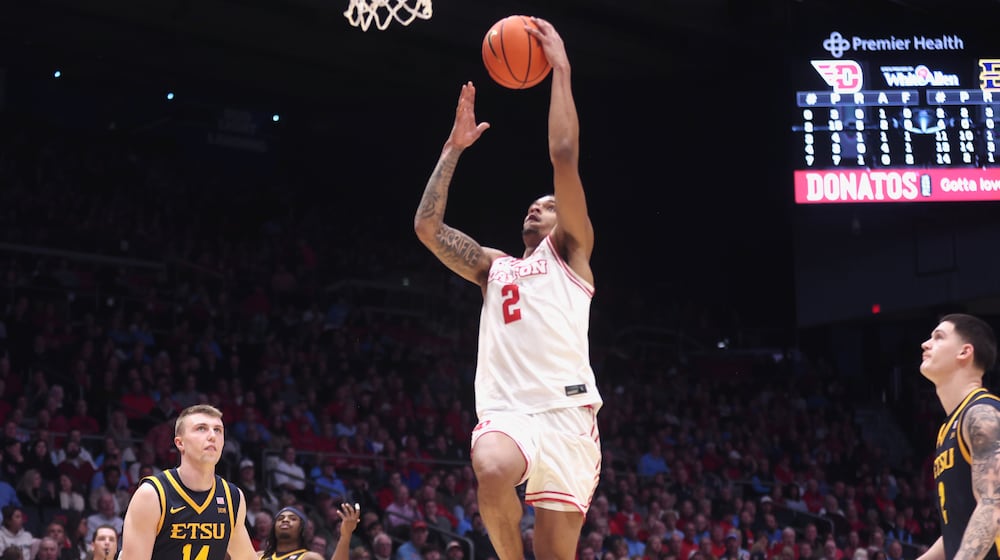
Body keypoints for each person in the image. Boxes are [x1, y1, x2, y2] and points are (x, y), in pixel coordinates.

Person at [413, 18, 602, 560]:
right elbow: (428, 229)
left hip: (568, 416)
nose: (536, 206)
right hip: (509, 411)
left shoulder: (571, 252)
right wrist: (453, 149)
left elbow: (563, 156)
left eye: (546, 205)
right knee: (492, 467)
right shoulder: (492, 267)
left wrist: (560, 69)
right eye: (533, 204)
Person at [118, 404, 257, 560]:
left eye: (218, 430)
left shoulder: (232, 497)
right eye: (201, 428)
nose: (212, 435)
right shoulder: (152, 495)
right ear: (180, 443)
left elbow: (246, 557)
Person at [918, 313, 1000, 560]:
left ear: (964, 352)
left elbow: (994, 503)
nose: (925, 344)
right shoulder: (948, 429)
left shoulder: (982, 414)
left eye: (939, 337)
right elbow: (960, 531)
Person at [258, 503, 359, 560]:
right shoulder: (259, 556)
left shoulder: (309, 557)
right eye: (280, 518)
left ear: (302, 529)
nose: (285, 520)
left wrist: (345, 536)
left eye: (293, 519)